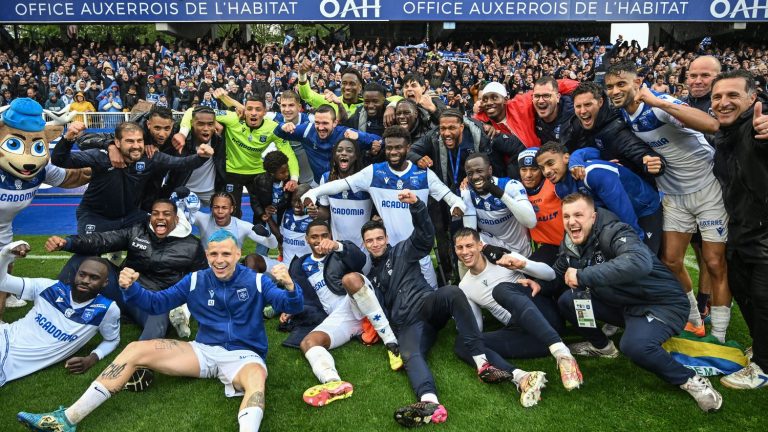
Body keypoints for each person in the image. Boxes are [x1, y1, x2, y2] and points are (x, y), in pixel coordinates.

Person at [18, 230, 304, 432]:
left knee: (256, 379)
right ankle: (67, 419)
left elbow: (290, 304)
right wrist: (130, 288)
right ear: (207, 255)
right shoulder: (195, 280)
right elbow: (156, 303)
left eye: (227, 254)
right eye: (214, 253)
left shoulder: (255, 281)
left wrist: (290, 286)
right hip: (203, 351)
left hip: (245, 354)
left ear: (238, 254)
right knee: (134, 349)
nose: (220, 259)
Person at [342, 191, 510, 427]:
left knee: (451, 291)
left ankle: (482, 363)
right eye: (370, 241)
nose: (375, 243)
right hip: (407, 324)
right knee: (410, 354)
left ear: (386, 238)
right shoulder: (371, 279)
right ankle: (430, 402)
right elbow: (374, 310)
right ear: (364, 244)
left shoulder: (402, 250)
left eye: (379, 238)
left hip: (427, 305)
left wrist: (418, 207)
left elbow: (424, 237)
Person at [553, 193, 723, 412]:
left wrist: (583, 275)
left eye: (578, 215)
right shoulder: (570, 243)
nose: (571, 222)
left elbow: (639, 262)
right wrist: (527, 274)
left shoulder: (615, 231)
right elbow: (555, 275)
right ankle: (602, 347)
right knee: (569, 300)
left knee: (634, 346)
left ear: (593, 217)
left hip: (662, 304)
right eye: (566, 216)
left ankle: (690, 380)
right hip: (624, 303)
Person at [604, 61, 730, 341]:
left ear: (638, 83)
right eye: (610, 86)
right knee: (671, 260)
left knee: (714, 262)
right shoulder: (623, 116)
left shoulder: (658, 105)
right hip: (673, 193)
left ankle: (719, 335)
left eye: (621, 84)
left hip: (708, 188)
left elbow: (712, 124)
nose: (614, 91)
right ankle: (693, 319)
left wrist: (659, 102)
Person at [302, 126, 466, 289]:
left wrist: (457, 205)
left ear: (407, 148)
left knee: (430, 295)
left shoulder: (423, 174)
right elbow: (342, 184)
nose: (393, 152)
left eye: (398, 147)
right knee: (393, 299)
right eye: (389, 148)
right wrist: (313, 193)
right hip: (387, 252)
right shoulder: (374, 173)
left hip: (418, 251)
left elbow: (450, 197)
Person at [49, 199, 208, 343]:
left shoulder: (192, 246)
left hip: (151, 300)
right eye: (155, 213)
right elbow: (103, 240)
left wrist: (184, 306)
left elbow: (201, 282)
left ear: (176, 219)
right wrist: (68, 243)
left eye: (166, 214)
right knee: (83, 260)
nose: (160, 217)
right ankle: (54, 307)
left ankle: (138, 363)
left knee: (159, 317)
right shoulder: (138, 231)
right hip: (122, 288)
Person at [453, 228, 583, 403]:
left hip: (544, 315)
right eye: (459, 248)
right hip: (525, 335)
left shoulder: (501, 258)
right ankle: (521, 377)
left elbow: (550, 275)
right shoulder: (465, 286)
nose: (465, 252)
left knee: (501, 290)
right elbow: (476, 329)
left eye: (469, 246)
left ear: (479, 245)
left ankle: (562, 353)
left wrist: (523, 265)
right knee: (463, 342)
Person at [288, 219, 400, 407]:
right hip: (340, 316)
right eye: (314, 237)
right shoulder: (301, 264)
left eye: (324, 235)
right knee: (308, 342)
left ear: (330, 236)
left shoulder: (340, 252)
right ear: (307, 239)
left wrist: (337, 246)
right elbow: (301, 294)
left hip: (358, 296)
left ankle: (391, 342)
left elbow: (358, 258)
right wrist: (289, 309)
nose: (320, 240)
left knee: (350, 279)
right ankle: (333, 383)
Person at [710, 69, 768, 389]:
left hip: (764, 234)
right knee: (744, 293)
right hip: (741, 232)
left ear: (752, 99)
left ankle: (763, 367)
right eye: (718, 96)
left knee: (762, 299)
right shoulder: (724, 135)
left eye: (733, 95)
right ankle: (762, 349)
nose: (724, 102)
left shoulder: (757, 128)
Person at [53, 121, 213, 235]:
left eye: (139, 141)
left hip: (131, 216)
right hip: (96, 216)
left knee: (167, 237)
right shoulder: (100, 157)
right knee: (89, 259)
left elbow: (182, 163)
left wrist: (201, 156)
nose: (136, 145)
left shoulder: (150, 157)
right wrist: (68, 138)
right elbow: (60, 160)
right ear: (117, 142)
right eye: (130, 141)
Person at [0, 242, 120, 386]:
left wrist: (92, 358)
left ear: (105, 282)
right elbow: (3, 282)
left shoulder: (106, 309)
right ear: (76, 274)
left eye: (94, 278)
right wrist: (5, 255)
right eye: (82, 275)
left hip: (10, 359)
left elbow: (112, 340)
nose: (85, 281)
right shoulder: (48, 287)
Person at [177, 92, 300, 224]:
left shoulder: (273, 128)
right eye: (250, 109)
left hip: (256, 174)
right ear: (243, 110)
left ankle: (262, 240)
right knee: (232, 212)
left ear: (265, 111)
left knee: (263, 211)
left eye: (258, 109)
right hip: (232, 172)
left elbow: (289, 154)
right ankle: (232, 241)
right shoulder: (232, 118)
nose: (253, 113)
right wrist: (182, 134)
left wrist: (294, 178)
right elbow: (192, 111)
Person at [536, 141, 663, 255]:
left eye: (550, 163)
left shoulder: (592, 173)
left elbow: (622, 208)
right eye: (542, 168)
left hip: (645, 209)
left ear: (566, 158)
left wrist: (636, 243)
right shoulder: (560, 189)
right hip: (615, 220)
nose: (546, 171)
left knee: (648, 260)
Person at [274, 104, 381, 184]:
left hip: (343, 183)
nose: (320, 127)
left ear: (335, 123)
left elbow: (379, 141)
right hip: (318, 183)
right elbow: (278, 132)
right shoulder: (307, 130)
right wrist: (283, 126)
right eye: (317, 123)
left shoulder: (345, 133)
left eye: (325, 123)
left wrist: (359, 137)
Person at [461, 153, 536, 259]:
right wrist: (486, 247)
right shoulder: (467, 192)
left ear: (490, 170)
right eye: (470, 173)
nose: (475, 177)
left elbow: (531, 222)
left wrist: (501, 195)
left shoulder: (510, 186)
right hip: (494, 253)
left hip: (521, 253)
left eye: (479, 171)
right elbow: (470, 234)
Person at [316, 138, 373, 251]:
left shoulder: (366, 179)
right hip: (337, 246)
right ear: (334, 156)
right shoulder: (326, 178)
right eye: (340, 150)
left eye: (349, 150)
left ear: (356, 156)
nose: (343, 153)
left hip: (364, 248)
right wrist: (314, 212)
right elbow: (325, 212)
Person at [517, 148, 563, 265]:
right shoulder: (515, 189)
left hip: (571, 242)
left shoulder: (555, 183)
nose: (528, 175)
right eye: (523, 169)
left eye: (534, 169)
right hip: (546, 247)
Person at [533, 76, 574, 145]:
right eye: (536, 96)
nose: (540, 101)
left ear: (558, 97)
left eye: (546, 96)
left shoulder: (574, 117)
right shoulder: (530, 116)